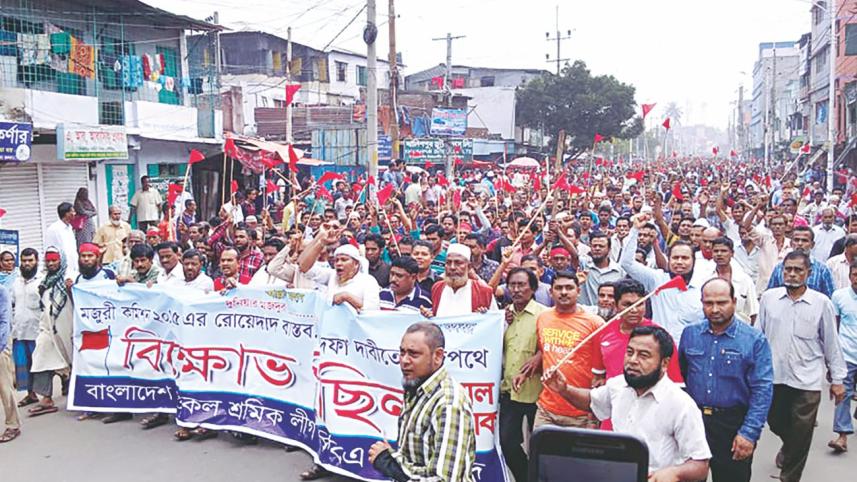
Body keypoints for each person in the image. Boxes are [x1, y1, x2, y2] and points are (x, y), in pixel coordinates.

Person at [543, 325, 711, 481]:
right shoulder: (618, 385)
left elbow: (700, 465)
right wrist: (564, 389)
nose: (633, 360)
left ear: (664, 363)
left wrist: (673, 472)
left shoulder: (681, 405)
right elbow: (592, 401)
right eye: (630, 352)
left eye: (643, 355)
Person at [758, 251, 847, 482]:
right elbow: (758, 337)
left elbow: (831, 343)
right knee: (775, 421)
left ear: (808, 273)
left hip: (807, 380)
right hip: (774, 376)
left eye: (798, 270)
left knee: (803, 430)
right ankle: (790, 445)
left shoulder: (821, 303)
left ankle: (790, 477)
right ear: (782, 270)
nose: (792, 274)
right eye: (788, 269)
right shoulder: (769, 298)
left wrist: (837, 380)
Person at [679, 278, 773, 482]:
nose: (714, 309)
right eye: (708, 303)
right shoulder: (690, 334)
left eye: (721, 303)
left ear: (734, 301)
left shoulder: (754, 340)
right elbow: (685, 374)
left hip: (732, 425)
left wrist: (749, 433)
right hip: (694, 422)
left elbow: (762, 390)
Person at [368, 322, 476, 482]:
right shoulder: (417, 388)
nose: (404, 360)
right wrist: (393, 459)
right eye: (402, 352)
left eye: (413, 354)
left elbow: (443, 480)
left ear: (438, 356)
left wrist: (389, 463)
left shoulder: (449, 404)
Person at [532, 271, 603, 429]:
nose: (563, 292)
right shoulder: (543, 318)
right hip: (546, 411)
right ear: (551, 292)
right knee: (539, 454)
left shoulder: (595, 323)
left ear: (578, 291)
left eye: (569, 288)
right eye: (558, 288)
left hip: (582, 414)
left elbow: (602, 367)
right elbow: (544, 351)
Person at [621, 214, 704, 344]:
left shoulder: (703, 287)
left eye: (685, 258)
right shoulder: (657, 279)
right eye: (675, 258)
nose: (680, 262)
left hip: (692, 352)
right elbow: (627, 264)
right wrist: (634, 230)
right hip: (661, 351)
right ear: (669, 260)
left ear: (693, 261)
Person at [501, 268, 546, 482]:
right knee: (507, 443)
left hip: (537, 393)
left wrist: (539, 355)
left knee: (539, 446)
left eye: (521, 285)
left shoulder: (545, 315)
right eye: (512, 285)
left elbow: (554, 346)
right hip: (509, 391)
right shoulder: (502, 316)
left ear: (533, 288)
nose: (516, 290)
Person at [28, 249, 74, 417]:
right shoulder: (44, 281)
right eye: (49, 260)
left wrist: (71, 290)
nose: (52, 263)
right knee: (40, 357)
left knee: (73, 362)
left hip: (67, 329)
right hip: (48, 329)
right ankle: (46, 399)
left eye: (55, 260)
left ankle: (80, 397)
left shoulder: (70, 278)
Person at [829, 261, 857, 453]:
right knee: (843, 394)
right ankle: (842, 435)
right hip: (847, 353)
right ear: (850, 276)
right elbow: (834, 326)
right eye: (855, 274)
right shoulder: (839, 296)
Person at [766, 226, 835, 298]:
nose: (800, 243)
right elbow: (771, 296)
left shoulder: (822, 270)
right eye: (796, 240)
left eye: (804, 240)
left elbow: (829, 298)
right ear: (791, 243)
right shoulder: (780, 268)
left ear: (812, 245)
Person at [10, 248, 41, 408]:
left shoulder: (41, 281)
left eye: (30, 260)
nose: (27, 264)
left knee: (40, 364)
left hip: (37, 330)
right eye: (24, 261)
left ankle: (47, 395)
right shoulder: (16, 282)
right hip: (19, 330)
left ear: (37, 261)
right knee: (23, 364)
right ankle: (31, 394)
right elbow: (13, 304)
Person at [429, 243, 496, 317]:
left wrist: (485, 316)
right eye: (448, 263)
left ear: (469, 266)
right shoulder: (437, 288)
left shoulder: (483, 291)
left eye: (458, 263)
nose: (452, 267)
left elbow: (494, 321)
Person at [706, 237, 758, 324]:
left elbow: (754, 311)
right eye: (716, 251)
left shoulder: (744, 279)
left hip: (741, 329)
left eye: (723, 251)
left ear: (732, 253)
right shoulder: (706, 278)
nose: (719, 254)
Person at [579, 232, 624, 306]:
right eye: (594, 246)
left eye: (601, 246)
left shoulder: (620, 271)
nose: (597, 248)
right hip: (587, 315)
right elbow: (573, 254)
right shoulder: (584, 265)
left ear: (609, 249)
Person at [0, 283, 21, 442]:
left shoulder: (1, 291)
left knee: (4, 386)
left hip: (1, 343)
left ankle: (13, 425)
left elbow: (4, 320)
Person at [43, 202, 79, 278]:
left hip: (73, 268)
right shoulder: (54, 229)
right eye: (72, 211)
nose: (74, 213)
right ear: (66, 214)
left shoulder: (69, 228)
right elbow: (49, 250)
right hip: (61, 271)